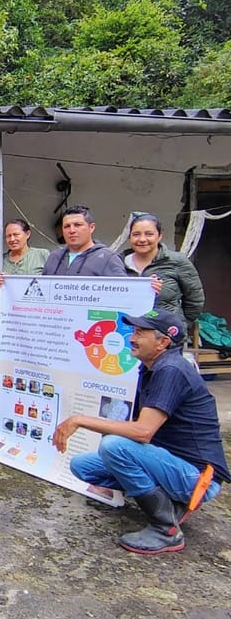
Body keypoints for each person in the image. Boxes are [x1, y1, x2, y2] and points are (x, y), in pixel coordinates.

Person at [53, 310, 230, 554]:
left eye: (139, 333)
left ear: (163, 342)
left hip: (197, 478)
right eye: (133, 332)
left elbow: (143, 431)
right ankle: (169, 503)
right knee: (82, 465)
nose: (131, 338)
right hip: (169, 462)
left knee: (114, 446)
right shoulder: (150, 368)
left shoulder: (171, 370)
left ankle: (166, 529)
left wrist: (79, 420)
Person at [122, 213, 204, 327]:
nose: (142, 239)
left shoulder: (177, 261)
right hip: (125, 331)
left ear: (159, 236)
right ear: (129, 237)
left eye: (149, 234)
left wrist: (180, 324)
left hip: (167, 334)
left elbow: (195, 300)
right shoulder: (118, 263)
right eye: (136, 234)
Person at [42, 205, 126, 277]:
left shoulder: (108, 258)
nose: (72, 230)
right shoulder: (54, 257)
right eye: (67, 226)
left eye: (77, 225)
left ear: (91, 227)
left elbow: (122, 292)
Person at [0, 219, 50, 288]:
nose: (12, 239)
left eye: (16, 235)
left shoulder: (42, 254)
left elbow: (52, 283)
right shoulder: (0, 260)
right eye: (8, 236)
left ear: (28, 234)